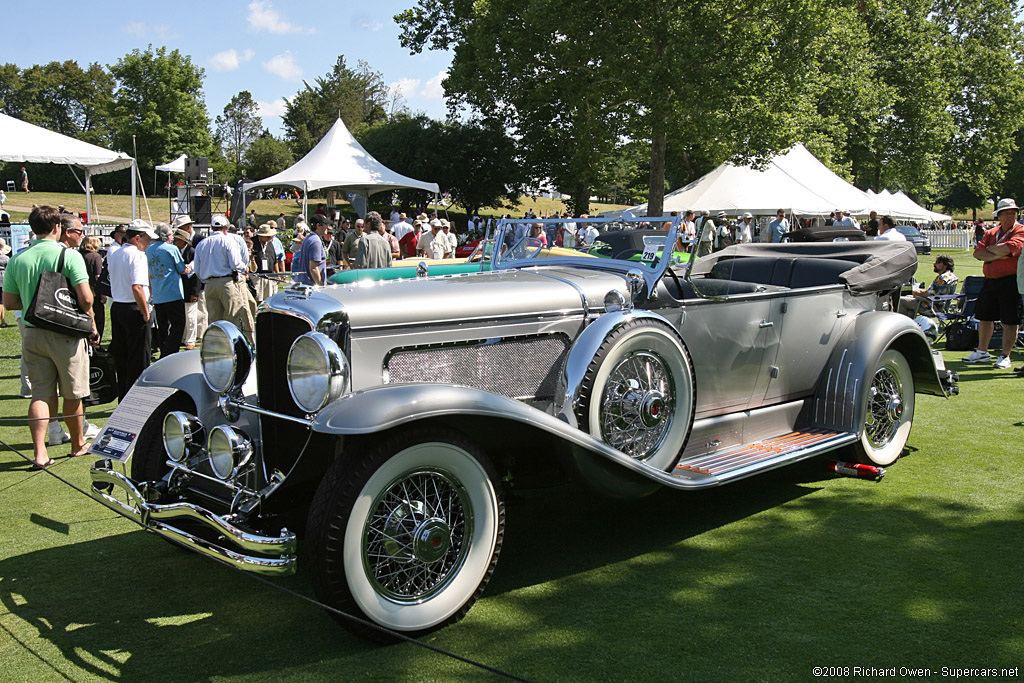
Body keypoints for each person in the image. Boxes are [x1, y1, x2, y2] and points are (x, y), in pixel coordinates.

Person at [3, 206, 97, 466]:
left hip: (33, 332)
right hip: (65, 333)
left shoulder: (18, 258)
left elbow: (10, 303)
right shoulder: (68, 255)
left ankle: (40, 453)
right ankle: (78, 444)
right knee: (73, 393)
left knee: (41, 395)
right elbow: (87, 298)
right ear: (58, 228)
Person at [962, 198, 1024, 369]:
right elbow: (978, 253)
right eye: (1007, 213)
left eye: (1013, 213)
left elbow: (1009, 249)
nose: (1011, 216)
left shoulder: (1020, 231)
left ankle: (1005, 355)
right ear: (999, 215)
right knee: (984, 316)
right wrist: (997, 253)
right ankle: (982, 351)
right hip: (990, 281)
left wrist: (990, 252)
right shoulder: (992, 232)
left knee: (1010, 320)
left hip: (1011, 281)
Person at [108, 219, 156, 400]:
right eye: (147, 239)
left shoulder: (115, 254)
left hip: (118, 306)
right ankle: (137, 398)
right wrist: (145, 313)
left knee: (122, 356)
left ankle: (124, 396)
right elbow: (137, 287)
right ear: (137, 238)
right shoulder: (137, 256)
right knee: (139, 358)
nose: (149, 243)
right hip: (133, 307)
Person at [193, 214, 254, 344]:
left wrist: (206, 280)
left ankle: (217, 348)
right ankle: (233, 347)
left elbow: (197, 269)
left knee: (215, 322)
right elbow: (235, 263)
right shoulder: (228, 241)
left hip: (209, 284)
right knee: (233, 317)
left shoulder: (201, 244)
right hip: (226, 282)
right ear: (225, 227)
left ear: (212, 227)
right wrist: (244, 269)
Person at [147, 223, 190, 358]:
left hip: (158, 294)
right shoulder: (171, 249)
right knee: (178, 324)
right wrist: (189, 268)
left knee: (162, 326)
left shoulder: (148, 250)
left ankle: (164, 349)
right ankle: (170, 352)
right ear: (168, 236)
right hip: (173, 293)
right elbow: (182, 269)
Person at [898, 254, 958, 319]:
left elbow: (930, 295)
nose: (934, 264)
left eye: (937, 262)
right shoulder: (951, 276)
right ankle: (911, 322)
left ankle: (905, 322)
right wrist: (921, 291)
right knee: (907, 297)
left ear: (945, 265)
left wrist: (916, 293)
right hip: (940, 305)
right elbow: (936, 292)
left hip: (930, 306)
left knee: (901, 300)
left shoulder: (942, 278)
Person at [172, 228, 200, 350]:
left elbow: (196, 274)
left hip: (189, 289)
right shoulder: (174, 252)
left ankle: (190, 340)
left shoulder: (192, 252)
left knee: (190, 316)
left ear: (183, 241)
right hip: (177, 290)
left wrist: (195, 292)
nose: (174, 242)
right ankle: (182, 338)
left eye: (177, 240)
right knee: (181, 316)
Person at [294, 214, 331, 285]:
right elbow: (313, 268)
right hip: (312, 286)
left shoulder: (308, 239)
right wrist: (320, 286)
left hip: (304, 283)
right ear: (318, 226)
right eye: (325, 224)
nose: (327, 227)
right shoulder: (315, 241)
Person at [80, 236, 105, 340]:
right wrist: (103, 294)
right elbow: (97, 276)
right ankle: (96, 340)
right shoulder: (96, 256)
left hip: (81, 289)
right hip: (95, 291)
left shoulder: (78, 255)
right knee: (99, 317)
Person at [253, 223, 281, 302]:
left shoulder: (270, 244)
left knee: (268, 300)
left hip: (269, 275)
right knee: (257, 298)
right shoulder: (253, 243)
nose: (270, 238)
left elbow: (275, 260)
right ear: (261, 236)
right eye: (268, 236)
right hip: (257, 276)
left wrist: (277, 274)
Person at [0, 238, 10, 327]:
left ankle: (3, 320)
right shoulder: (6, 258)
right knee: (1, 302)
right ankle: (3, 321)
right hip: (2, 280)